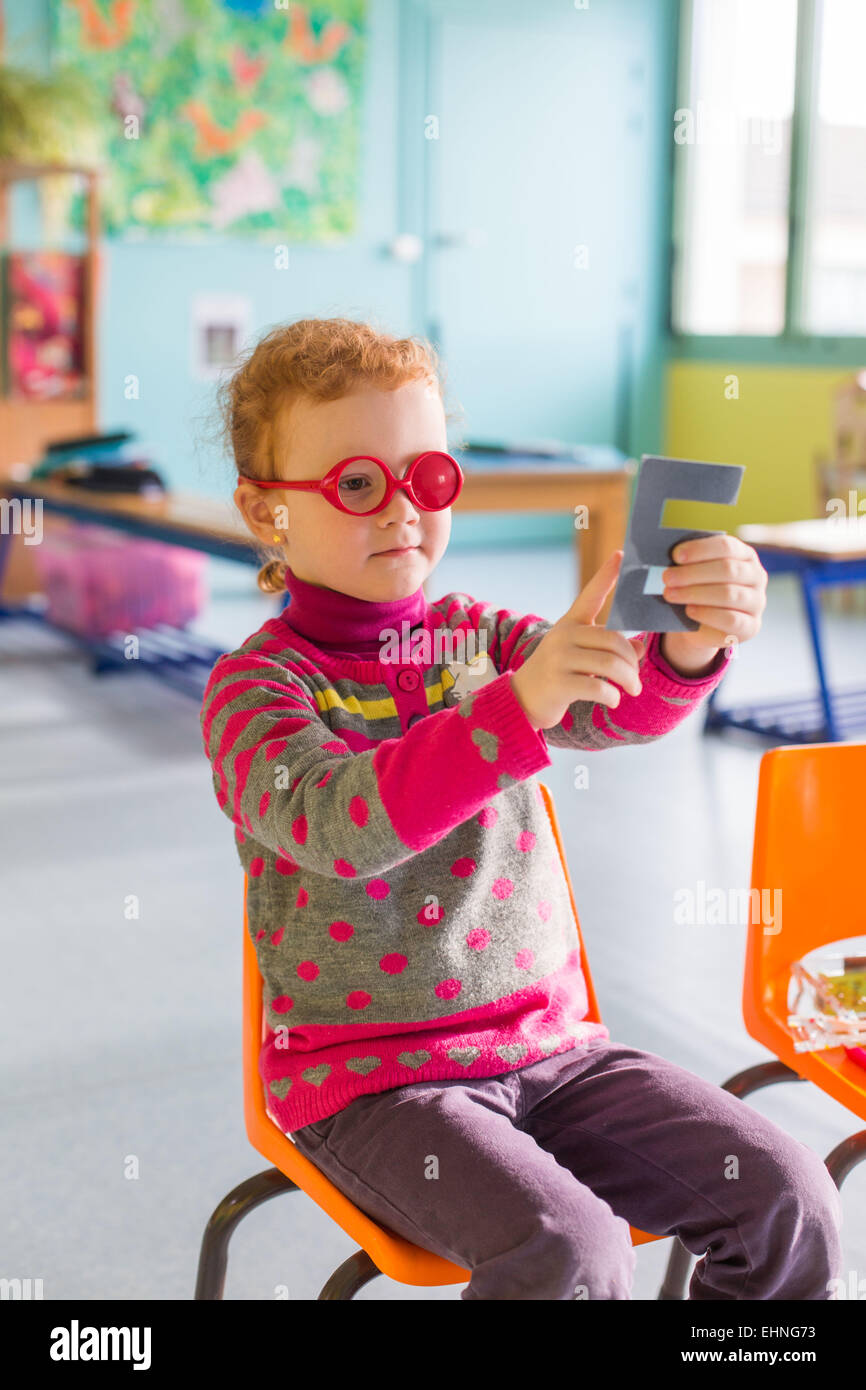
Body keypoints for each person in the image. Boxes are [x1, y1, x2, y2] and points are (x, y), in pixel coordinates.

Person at [200, 316, 842, 1300]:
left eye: (428, 478)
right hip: (373, 1085)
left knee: (784, 1192)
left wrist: (682, 646)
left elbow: (608, 707)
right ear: (264, 510)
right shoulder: (256, 689)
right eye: (358, 484)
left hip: (552, 1049)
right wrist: (519, 703)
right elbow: (342, 822)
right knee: (568, 1250)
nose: (402, 512)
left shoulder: (473, 638)